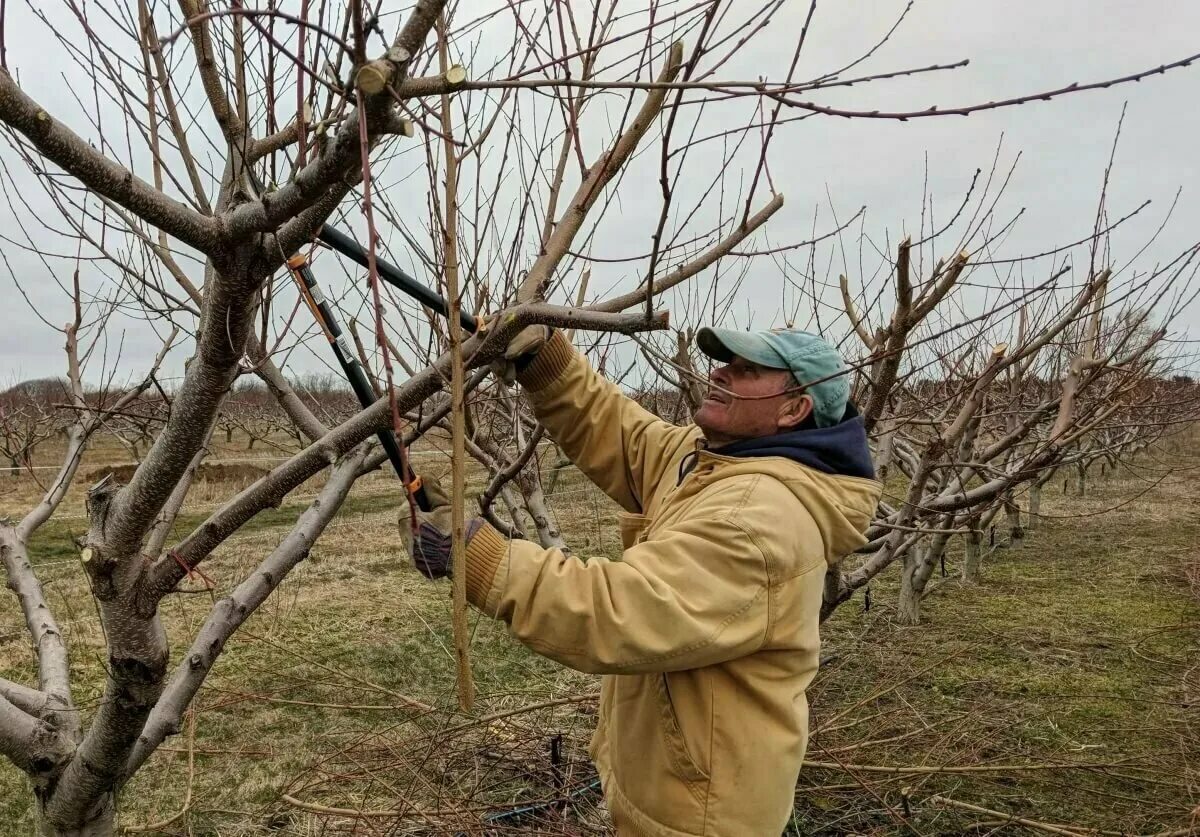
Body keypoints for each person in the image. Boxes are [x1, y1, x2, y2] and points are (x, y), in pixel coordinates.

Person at [409, 325, 882, 836]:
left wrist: (477, 558)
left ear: (794, 411)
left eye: (747, 371)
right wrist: (545, 361)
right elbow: (624, 435)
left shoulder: (757, 520)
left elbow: (617, 611)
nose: (720, 373)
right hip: (672, 785)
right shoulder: (714, 463)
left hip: (700, 816)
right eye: (725, 363)